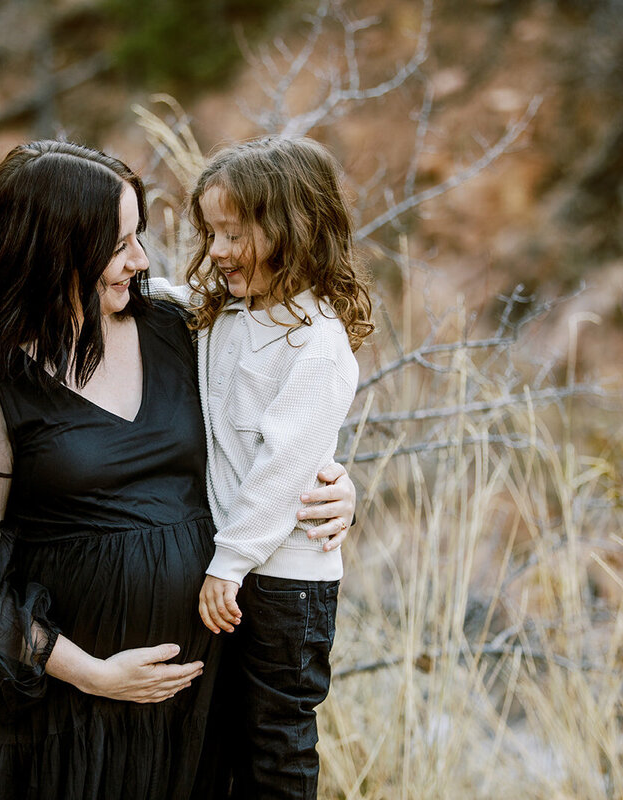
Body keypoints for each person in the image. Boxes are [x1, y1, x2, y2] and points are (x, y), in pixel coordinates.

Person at [0, 140, 357, 800]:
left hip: (197, 703)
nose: (142, 260)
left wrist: (332, 487)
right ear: (56, 249)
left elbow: (272, 418)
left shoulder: (176, 325)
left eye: (139, 236)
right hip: (65, 719)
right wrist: (94, 674)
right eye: (119, 243)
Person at [188, 136, 373, 799]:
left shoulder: (317, 345)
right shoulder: (227, 317)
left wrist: (228, 561)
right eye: (210, 233)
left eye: (233, 234)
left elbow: (282, 468)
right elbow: (173, 300)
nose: (216, 251)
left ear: (291, 232)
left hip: (287, 584)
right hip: (241, 577)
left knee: (276, 745)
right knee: (227, 740)